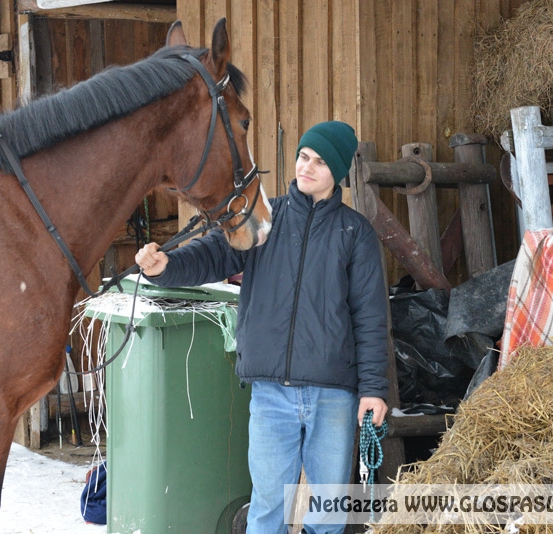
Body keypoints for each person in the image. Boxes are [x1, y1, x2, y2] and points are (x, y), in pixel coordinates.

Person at [135, 121, 389, 534]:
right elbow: (214, 253)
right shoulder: (264, 219)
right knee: (268, 506)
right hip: (271, 393)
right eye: (304, 156)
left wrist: (374, 389)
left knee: (330, 512)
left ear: (338, 173)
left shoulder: (354, 233)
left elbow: (371, 317)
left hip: (333, 396)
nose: (307, 167)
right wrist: (167, 266)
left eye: (321, 162)